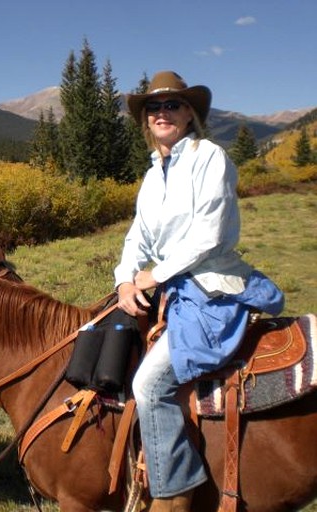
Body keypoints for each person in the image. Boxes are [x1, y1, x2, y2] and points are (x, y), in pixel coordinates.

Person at [114, 71, 284, 512]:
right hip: (173, 286)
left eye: (173, 105)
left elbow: (208, 234)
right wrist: (124, 279)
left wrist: (156, 275)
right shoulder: (154, 175)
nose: (162, 113)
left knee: (150, 385)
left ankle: (175, 494)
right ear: (145, 120)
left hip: (211, 290)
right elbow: (138, 236)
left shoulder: (210, 157)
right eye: (154, 107)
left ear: (190, 114)